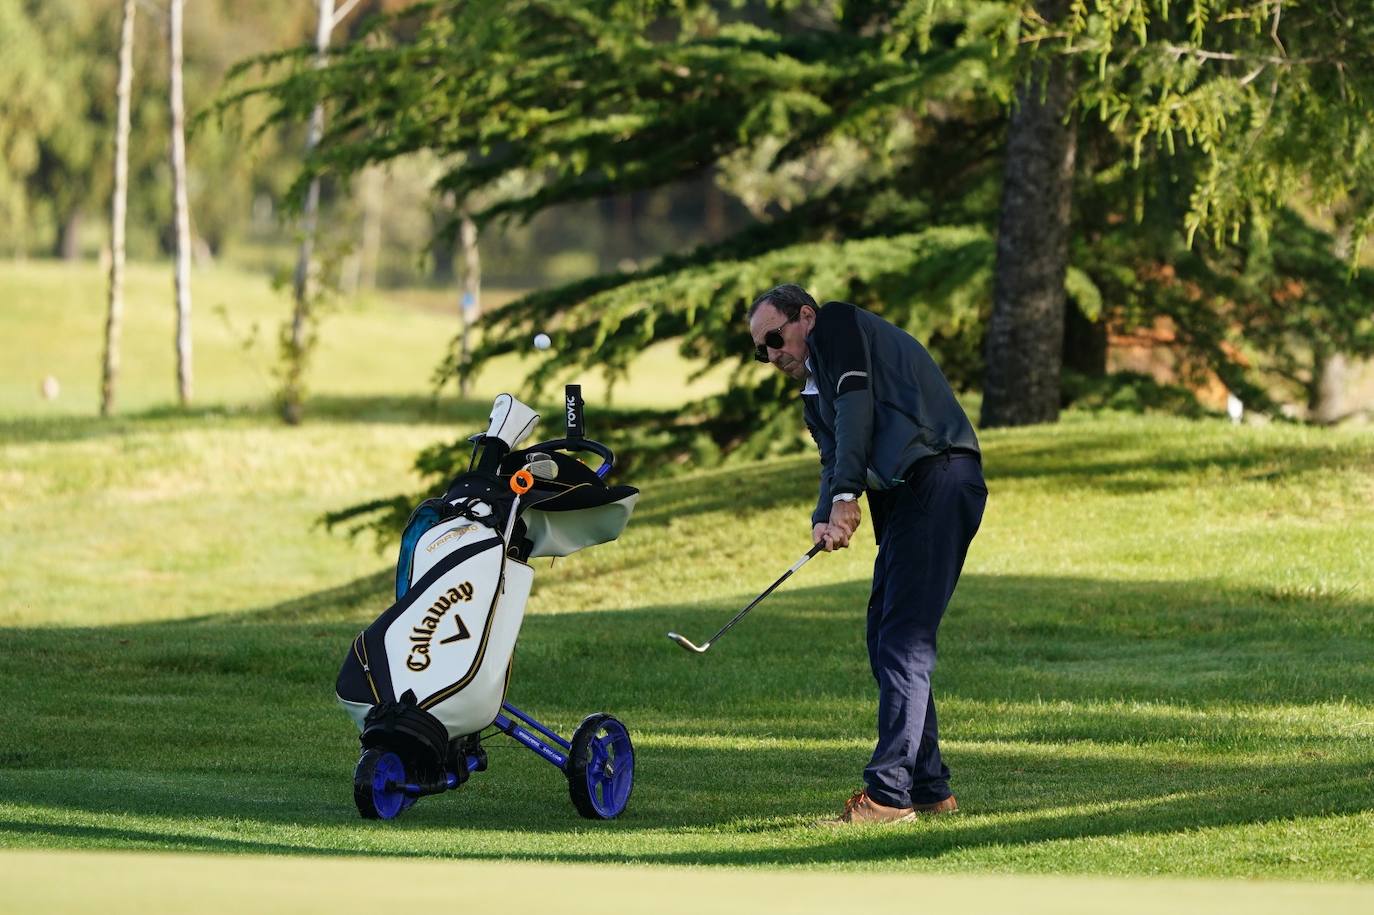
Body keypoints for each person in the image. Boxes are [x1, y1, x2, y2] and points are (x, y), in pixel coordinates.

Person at [746, 283, 988, 825]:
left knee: (904, 640)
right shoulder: (814, 389)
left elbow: (858, 410)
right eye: (760, 349)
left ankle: (888, 796)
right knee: (885, 634)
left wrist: (846, 496)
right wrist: (822, 513)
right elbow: (833, 452)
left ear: (803, 316)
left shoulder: (837, 326)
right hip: (904, 497)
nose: (771, 355)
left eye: (775, 338)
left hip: (939, 476)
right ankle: (929, 789)